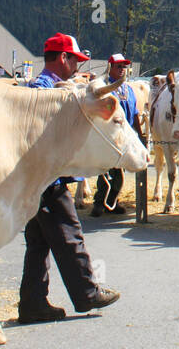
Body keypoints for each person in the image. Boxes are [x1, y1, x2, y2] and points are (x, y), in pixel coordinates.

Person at [17, 33, 120, 324]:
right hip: (49, 177)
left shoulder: (39, 86)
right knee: (69, 233)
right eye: (75, 60)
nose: (77, 67)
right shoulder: (47, 90)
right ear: (63, 58)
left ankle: (32, 303)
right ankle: (87, 293)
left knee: (38, 242)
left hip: (36, 177)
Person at [90, 54, 145, 219]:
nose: (122, 70)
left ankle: (112, 201)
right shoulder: (104, 87)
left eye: (124, 66)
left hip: (124, 137)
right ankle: (99, 203)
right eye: (118, 66)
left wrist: (140, 134)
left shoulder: (128, 90)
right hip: (108, 136)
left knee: (119, 172)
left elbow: (135, 112)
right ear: (110, 67)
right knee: (106, 171)